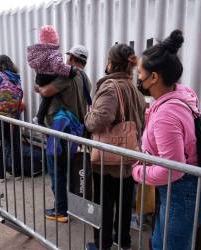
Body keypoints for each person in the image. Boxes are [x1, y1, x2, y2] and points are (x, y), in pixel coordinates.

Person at [132, 30, 201, 250]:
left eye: (140, 72)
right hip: (185, 190)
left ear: (154, 77)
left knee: (166, 245)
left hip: (181, 191)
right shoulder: (182, 93)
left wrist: (137, 171)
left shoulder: (167, 113)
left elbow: (172, 169)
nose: (138, 77)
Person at [84, 44, 146, 250]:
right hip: (128, 156)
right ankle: (123, 240)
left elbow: (99, 119)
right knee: (125, 201)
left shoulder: (111, 87)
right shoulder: (134, 87)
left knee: (104, 203)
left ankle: (103, 244)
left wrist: (87, 116)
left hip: (107, 159)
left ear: (110, 63)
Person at [34, 45, 91, 223]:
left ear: (72, 58)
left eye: (68, 57)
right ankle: (67, 207)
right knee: (66, 170)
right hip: (75, 131)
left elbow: (46, 91)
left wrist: (38, 88)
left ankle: (60, 211)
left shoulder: (68, 75)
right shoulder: (85, 78)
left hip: (59, 130)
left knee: (56, 170)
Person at [27, 25, 77, 125]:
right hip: (50, 77)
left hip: (40, 77)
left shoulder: (37, 52)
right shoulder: (53, 52)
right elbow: (58, 66)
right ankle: (39, 118)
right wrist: (70, 71)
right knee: (48, 98)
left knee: (45, 100)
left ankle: (39, 117)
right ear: (55, 39)